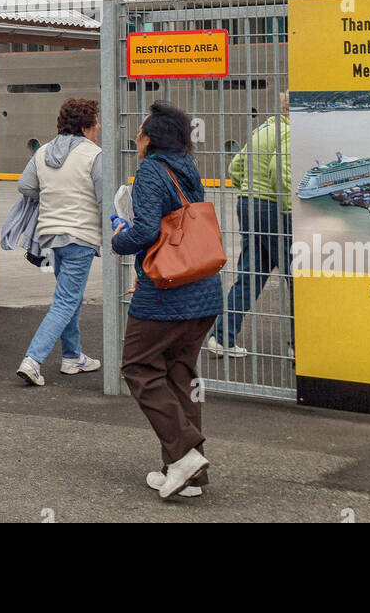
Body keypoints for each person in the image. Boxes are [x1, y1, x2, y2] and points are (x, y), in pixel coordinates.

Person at [112, 102, 222, 500]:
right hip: (205, 289)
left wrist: (117, 240)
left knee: (138, 366)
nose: (136, 137)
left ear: (150, 138)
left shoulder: (151, 171)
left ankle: (183, 455)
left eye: (140, 130)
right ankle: (187, 472)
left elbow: (143, 231)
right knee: (180, 374)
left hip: (167, 292)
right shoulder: (187, 169)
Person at [15, 98, 107, 386]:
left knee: (71, 298)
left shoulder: (42, 152)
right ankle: (33, 360)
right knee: (66, 301)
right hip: (81, 237)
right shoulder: (94, 154)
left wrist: (54, 194)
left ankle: (72, 357)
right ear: (85, 126)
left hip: (51, 237)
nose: (99, 126)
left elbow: (25, 185)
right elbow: (105, 200)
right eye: (95, 122)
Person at [208, 90, 293, 358]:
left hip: (248, 204)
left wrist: (248, 190)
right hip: (275, 208)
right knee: (298, 279)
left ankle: (222, 338)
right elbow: (281, 172)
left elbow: (235, 167)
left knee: (250, 275)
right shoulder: (290, 132)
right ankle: (299, 346)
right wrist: (293, 207)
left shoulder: (265, 128)